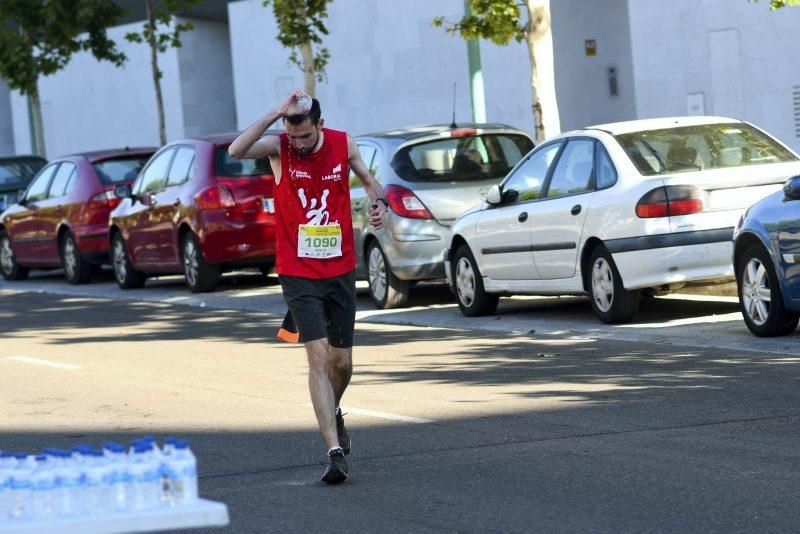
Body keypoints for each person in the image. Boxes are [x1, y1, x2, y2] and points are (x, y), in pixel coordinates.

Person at [229, 89, 388, 484]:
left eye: (304, 136)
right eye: (292, 135)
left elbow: (371, 183)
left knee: (343, 363)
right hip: (297, 271)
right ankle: (334, 452)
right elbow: (236, 149)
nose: (298, 144)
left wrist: (379, 204)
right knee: (317, 358)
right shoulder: (279, 147)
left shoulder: (342, 143)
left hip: (339, 268)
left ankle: (334, 408)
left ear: (320, 124)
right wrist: (274, 113)